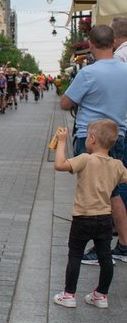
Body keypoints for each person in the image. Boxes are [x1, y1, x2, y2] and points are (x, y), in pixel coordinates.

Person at [60, 24, 127, 265]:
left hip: (91, 138)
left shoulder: (88, 73)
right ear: (113, 42)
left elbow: (65, 103)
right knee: (113, 192)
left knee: (95, 193)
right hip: (118, 135)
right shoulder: (125, 70)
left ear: (90, 44)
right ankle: (123, 245)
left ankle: (100, 248)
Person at [51, 121, 127, 308]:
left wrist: (61, 142)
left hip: (82, 217)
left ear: (92, 139)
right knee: (105, 256)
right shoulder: (117, 164)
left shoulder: (85, 159)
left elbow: (60, 164)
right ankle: (101, 295)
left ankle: (69, 295)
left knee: (75, 254)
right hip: (104, 219)